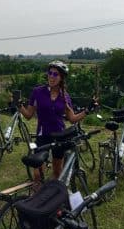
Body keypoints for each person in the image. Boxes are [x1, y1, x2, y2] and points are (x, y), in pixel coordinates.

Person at [19, 60, 92, 189]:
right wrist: (18, 105)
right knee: (37, 174)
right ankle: (37, 198)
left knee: (57, 173)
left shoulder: (65, 96)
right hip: (43, 135)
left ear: (61, 77)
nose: (51, 77)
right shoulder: (38, 92)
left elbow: (72, 118)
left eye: (55, 74)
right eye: (50, 73)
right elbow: (29, 115)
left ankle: (52, 196)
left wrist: (87, 110)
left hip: (59, 136)